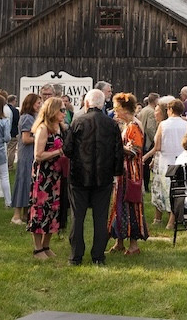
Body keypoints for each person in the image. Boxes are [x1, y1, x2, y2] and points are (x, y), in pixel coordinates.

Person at [65, 88, 123, 266]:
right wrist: (116, 173)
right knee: (100, 217)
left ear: (87, 103)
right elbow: (118, 152)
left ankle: (76, 256)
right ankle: (98, 256)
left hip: (79, 176)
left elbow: (67, 149)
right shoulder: (111, 124)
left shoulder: (78, 122)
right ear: (102, 103)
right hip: (103, 177)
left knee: (78, 217)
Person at [28, 97, 69, 260]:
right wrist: (58, 152)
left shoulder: (60, 127)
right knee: (41, 210)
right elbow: (38, 155)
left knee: (54, 210)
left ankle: (46, 245)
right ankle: (38, 249)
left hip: (57, 176)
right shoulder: (43, 128)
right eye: (62, 110)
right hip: (44, 176)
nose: (64, 113)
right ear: (53, 110)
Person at [108, 92, 148, 255]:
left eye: (117, 109)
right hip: (124, 173)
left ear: (125, 109)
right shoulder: (127, 125)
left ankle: (133, 245)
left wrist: (117, 145)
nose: (115, 112)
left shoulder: (134, 126)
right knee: (120, 204)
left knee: (131, 206)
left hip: (132, 174)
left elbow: (135, 150)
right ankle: (119, 241)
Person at [150, 97, 187, 230]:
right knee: (181, 188)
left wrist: (146, 156)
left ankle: (171, 219)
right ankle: (178, 217)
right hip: (182, 158)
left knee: (167, 189)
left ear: (170, 110)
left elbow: (157, 146)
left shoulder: (163, 125)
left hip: (166, 160)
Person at [10, 92, 40, 225]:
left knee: (29, 183)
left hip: (29, 154)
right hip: (27, 155)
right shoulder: (27, 118)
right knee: (23, 183)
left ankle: (25, 215)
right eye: (37, 103)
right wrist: (40, 139)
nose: (40, 105)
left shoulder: (30, 117)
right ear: (31, 104)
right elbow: (26, 139)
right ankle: (16, 215)